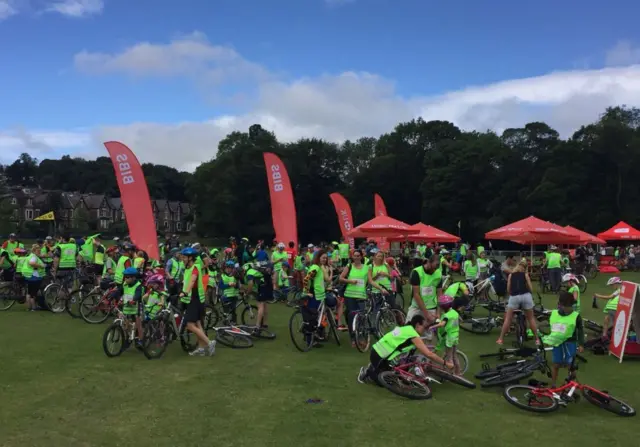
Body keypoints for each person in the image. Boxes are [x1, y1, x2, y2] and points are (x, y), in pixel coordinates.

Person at [357, 314, 453, 384]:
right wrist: (445, 363)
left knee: (395, 376)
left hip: (377, 351)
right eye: (424, 327)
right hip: (380, 356)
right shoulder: (413, 335)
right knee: (387, 383)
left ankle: (376, 367)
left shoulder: (406, 328)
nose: (425, 330)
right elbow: (429, 354)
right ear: (417, 325)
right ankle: (367, 372)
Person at [542, 291, 585, 388]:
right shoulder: (554, 314)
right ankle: (553, 384)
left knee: (570, 365)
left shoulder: (576, 316)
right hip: (557, 343)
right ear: (560, 305)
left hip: (570, 343)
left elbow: (580, 330)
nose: (568, 308)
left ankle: (570, 383)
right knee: (556, 364)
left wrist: (581, 344)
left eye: (570, 306)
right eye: (565, 306)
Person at [179, 247, 216, 356]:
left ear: (191, 258)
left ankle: (209, 343)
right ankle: (201, 347)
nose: (183, 259)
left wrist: (185, 292)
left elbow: (192, 281)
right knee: (198, 324)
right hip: (193, 299)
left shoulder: (195, 268)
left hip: (194, 300)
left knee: (190, 325)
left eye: (185, 257)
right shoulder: (187, 268)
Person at [496, 259, 538, 345]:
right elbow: (530, 288)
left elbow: (508, 289)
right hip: (526, 296)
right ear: (524, 268)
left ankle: (501, 339)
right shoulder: (525, 275)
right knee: (530, 318)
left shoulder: (511, 275)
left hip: (514, 297)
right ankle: (537, 339)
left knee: (508, 318)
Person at [339, 249, 369, 347]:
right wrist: (350, 281)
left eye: (358, 255)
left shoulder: (367, 267)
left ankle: (361, 337)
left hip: (361, 295)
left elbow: (370, 280)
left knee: (362, 317)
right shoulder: (349, 266)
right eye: (354, 256)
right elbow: (341, 278)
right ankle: (353, 339)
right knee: (352, 317)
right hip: (350, 295)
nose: (356, 257)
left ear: (361, 257)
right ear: (352, 257)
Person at [407, 254, 442, 336]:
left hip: (431, 308)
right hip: (416, 307)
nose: (434, 270)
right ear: (429, 262)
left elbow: (440, 294)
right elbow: (416, 294)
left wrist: (438, 312)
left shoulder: (438, 273)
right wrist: (426, 314)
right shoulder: (417, 272)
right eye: (433, 268)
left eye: (436, 268)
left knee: (428, 336)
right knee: (408, 331)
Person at [432, 295, 468, 375]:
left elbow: (442, 324)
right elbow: (459, 320)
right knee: (455, 356)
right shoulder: (454, 312)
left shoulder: (446, 316)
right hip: (455, 337)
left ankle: (451, 373)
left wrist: (432, 326)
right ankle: (458, 373)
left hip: (449, 338)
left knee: (449, 357)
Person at [120, 267, 145, 346]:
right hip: (127, 307)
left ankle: (141, 339)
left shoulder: (138, 286)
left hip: (137, 307)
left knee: (138, 323)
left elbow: (138, 294)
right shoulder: (125, 284)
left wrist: (134, 300)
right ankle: (128, 338)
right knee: (126, 324)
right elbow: (119, 291)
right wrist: (112, 297)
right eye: (125, 277)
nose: (125, 279)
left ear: (134, 278)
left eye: (127, 277)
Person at [21, 244, 46, 311]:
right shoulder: (34, 257)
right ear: (34, 250)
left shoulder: (29, 256)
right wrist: (41, 265)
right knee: (33, 293)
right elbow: (32, 263)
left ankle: (29, 307)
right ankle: (34, 308)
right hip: (34, 277)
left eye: (40, 250)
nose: (39, 252)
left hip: (29, 276)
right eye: (38, 251)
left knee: (29, 292)